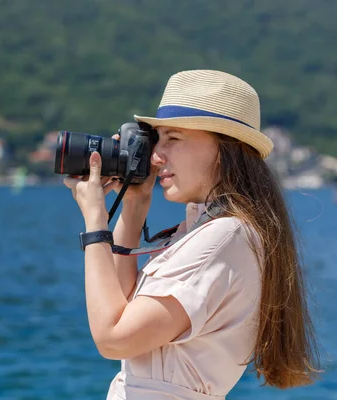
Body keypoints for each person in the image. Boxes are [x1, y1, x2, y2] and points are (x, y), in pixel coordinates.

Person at [63, 70, 321, 399]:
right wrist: (134, 206)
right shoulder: (214, 232)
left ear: (225, 149)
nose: (156, 156)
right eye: (156, 140)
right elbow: (121, 304)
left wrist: (95, 220)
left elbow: (113, 338)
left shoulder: (224, 237)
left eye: (174, 138)